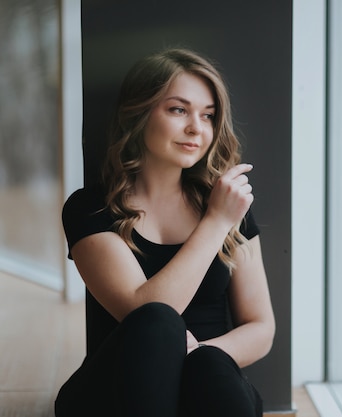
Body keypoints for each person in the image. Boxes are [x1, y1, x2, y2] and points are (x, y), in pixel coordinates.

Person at [55, 48, 275, 417]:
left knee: (209, 367)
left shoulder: (225, 203)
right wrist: (216, 223)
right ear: (138, 114)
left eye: (208, 116)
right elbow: (148, 314)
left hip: (208, 382)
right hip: (117, 393)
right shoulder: (90, 208)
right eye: (178, 110)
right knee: (158, 322)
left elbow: (261, 327)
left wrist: (200, 353)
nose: (196, 128)